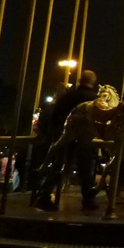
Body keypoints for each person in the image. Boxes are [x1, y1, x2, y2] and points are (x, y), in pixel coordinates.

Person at [34, 70, 100, 210]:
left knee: (57, 165)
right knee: (85, 167)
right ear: (92, 82)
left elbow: (55, 116)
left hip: (63, 136)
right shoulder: (95, 100)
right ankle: (88, 199)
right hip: (84, 139)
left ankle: (44, 195)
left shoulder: (67, 97)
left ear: (80, 80)